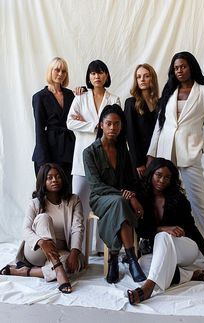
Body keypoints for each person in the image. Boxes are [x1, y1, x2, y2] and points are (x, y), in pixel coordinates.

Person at [147, 51, 204, 272]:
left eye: (183, 66)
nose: (179, 70)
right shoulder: (169, 92)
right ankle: (168, 247)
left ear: (191, 67)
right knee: (164, 201)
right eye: (176, 68)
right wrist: (151, 154)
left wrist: (203, 146)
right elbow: (160, 125)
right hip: (165, 153)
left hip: (189, 154)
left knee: (199, 204)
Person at [127, 158, 204, 305]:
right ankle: (192, 274)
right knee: (142, 263)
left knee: (162, 237)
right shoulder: (142, 197)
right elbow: (141, 230)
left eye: (167, 177)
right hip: (163, 250)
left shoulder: (178, 199)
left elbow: (193, 230)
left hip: (186, 248)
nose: (162, 180)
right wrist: (161, 228)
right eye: (158, 175)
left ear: (171, 180)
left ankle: (148, 287)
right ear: (151, 174)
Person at [83, 104, 146, 284]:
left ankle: (113, 258)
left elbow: (131, 180)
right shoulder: (89, 152)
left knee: (119, 204)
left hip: (120, 200)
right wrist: (129, 196)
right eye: (109, 124)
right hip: (100, 199)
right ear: (101, 125)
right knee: (120, 202)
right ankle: (132, 259)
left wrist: (130, 193)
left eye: (117, 124)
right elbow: (96, 186)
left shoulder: (122, 151)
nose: (113, 128)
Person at [0, 163, 85, 294]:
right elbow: (25, 230)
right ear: (43, 181)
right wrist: (41, 242)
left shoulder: (74, 200)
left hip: (60, 250)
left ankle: (26, 272)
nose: (55, 180)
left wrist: (74, 253)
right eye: (49, 178)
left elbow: (77, 227)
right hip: (37, 251)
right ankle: (58, 268)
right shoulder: (35, 203)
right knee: (44, 218)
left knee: (73, 265)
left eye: (58, 177)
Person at [67, 60, 120, 254]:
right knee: (79, 203)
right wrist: (94, 125)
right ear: (89, 77)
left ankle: (100, 247)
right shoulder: (80, 98)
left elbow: (116, 127)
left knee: (104, 203)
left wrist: (89, 122)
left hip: (106, 158)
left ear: (106, 75)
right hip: (82, 158)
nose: (97, 76)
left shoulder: (115, 99)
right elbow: (70, 122)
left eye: (101, 72)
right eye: (93, 73)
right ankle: (77, 248)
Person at [32, 57, 75, 189]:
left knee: (67, 190)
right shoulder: (40, 97)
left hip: (68, 148)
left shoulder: (70, 95)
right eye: (57, 70)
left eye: (64, 71)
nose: (60, 74)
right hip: (48, 149)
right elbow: (39, 129)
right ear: (50, 71)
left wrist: (82, 90)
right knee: (47, 192)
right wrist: (43, 160)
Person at [124, 64, 159, 178]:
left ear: (152, 78)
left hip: (158, 154)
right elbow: (130, 134)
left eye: (146, 76)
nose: (142, 80)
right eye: (139, 77)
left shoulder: (160, 103)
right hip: (139, 158)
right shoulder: (131, 103)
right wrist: (139, 162)